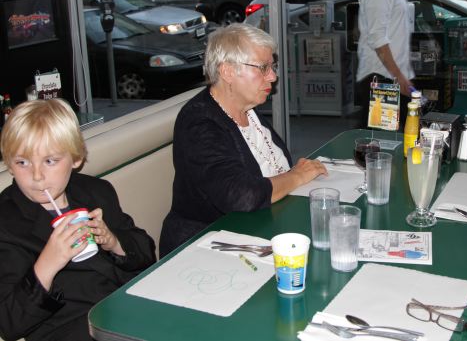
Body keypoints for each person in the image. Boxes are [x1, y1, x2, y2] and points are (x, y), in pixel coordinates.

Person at [159, 24, 327, 257]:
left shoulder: (247, 109)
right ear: (228, 72)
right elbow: (241, 196)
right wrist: (297, 176)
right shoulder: (199, 122)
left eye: (272, 67)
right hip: (207, 247)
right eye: (263, 67)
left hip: (262, 228)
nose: (273, 76)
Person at [0, 99, 156, 341]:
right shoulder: (6, 222)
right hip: (70, 330)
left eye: (50, 161)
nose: (37, 176)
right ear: (9, 164)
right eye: (22, 162)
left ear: (75, 159)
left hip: (128, 310)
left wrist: (113, 242)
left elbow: (146, 252)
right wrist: (47, 264)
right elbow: (9, 325)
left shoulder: (96, 191)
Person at [356, 0, 415, 129]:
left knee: (396, 137)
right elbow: (378, 40)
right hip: (382, 79)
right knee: (382, 140)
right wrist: (399, 77)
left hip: (391, 78)